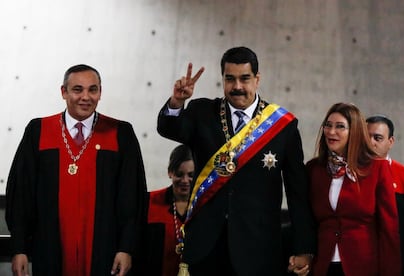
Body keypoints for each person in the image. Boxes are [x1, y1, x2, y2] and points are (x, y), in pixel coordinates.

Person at [157, 46, 316, 275]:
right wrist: (176, 102)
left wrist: (303, 248)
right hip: (206, 246)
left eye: (245, 79)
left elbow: (297, 192)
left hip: (259, 249)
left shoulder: (282, 126)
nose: (237, 87)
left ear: (257, 79)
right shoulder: (202, 111)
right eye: (230, 79)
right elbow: (169, 129)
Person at [5, 64, 147, 276]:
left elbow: (132, 198)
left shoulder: (120, 133)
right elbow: (21, 195)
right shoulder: (39, 131)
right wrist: (19, 249)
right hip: (49, 248)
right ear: (64, 92)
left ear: (100, 92)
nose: (86, 97)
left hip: (104, 250)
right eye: (77, 89)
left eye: (93, 89)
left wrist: (126, 248)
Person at [306, 103, 401, 275]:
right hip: (323, 265)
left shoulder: (377, 167)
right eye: (328, 125)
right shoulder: (314, 169)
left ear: (355, 132)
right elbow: (308, 221)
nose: (331, 131)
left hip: (363, 266)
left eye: (340, 126)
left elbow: (389, 229)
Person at [366, 114, 404, 276]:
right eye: (366, 137)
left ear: (390, 142)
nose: (370, 142)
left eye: (377, 138)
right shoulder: (347, 175)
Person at [141, 144, 194, 276]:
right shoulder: (149, 202)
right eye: (179, 174)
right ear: (170, 172)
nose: (185, 180)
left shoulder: (205, 205)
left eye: (191, 175)